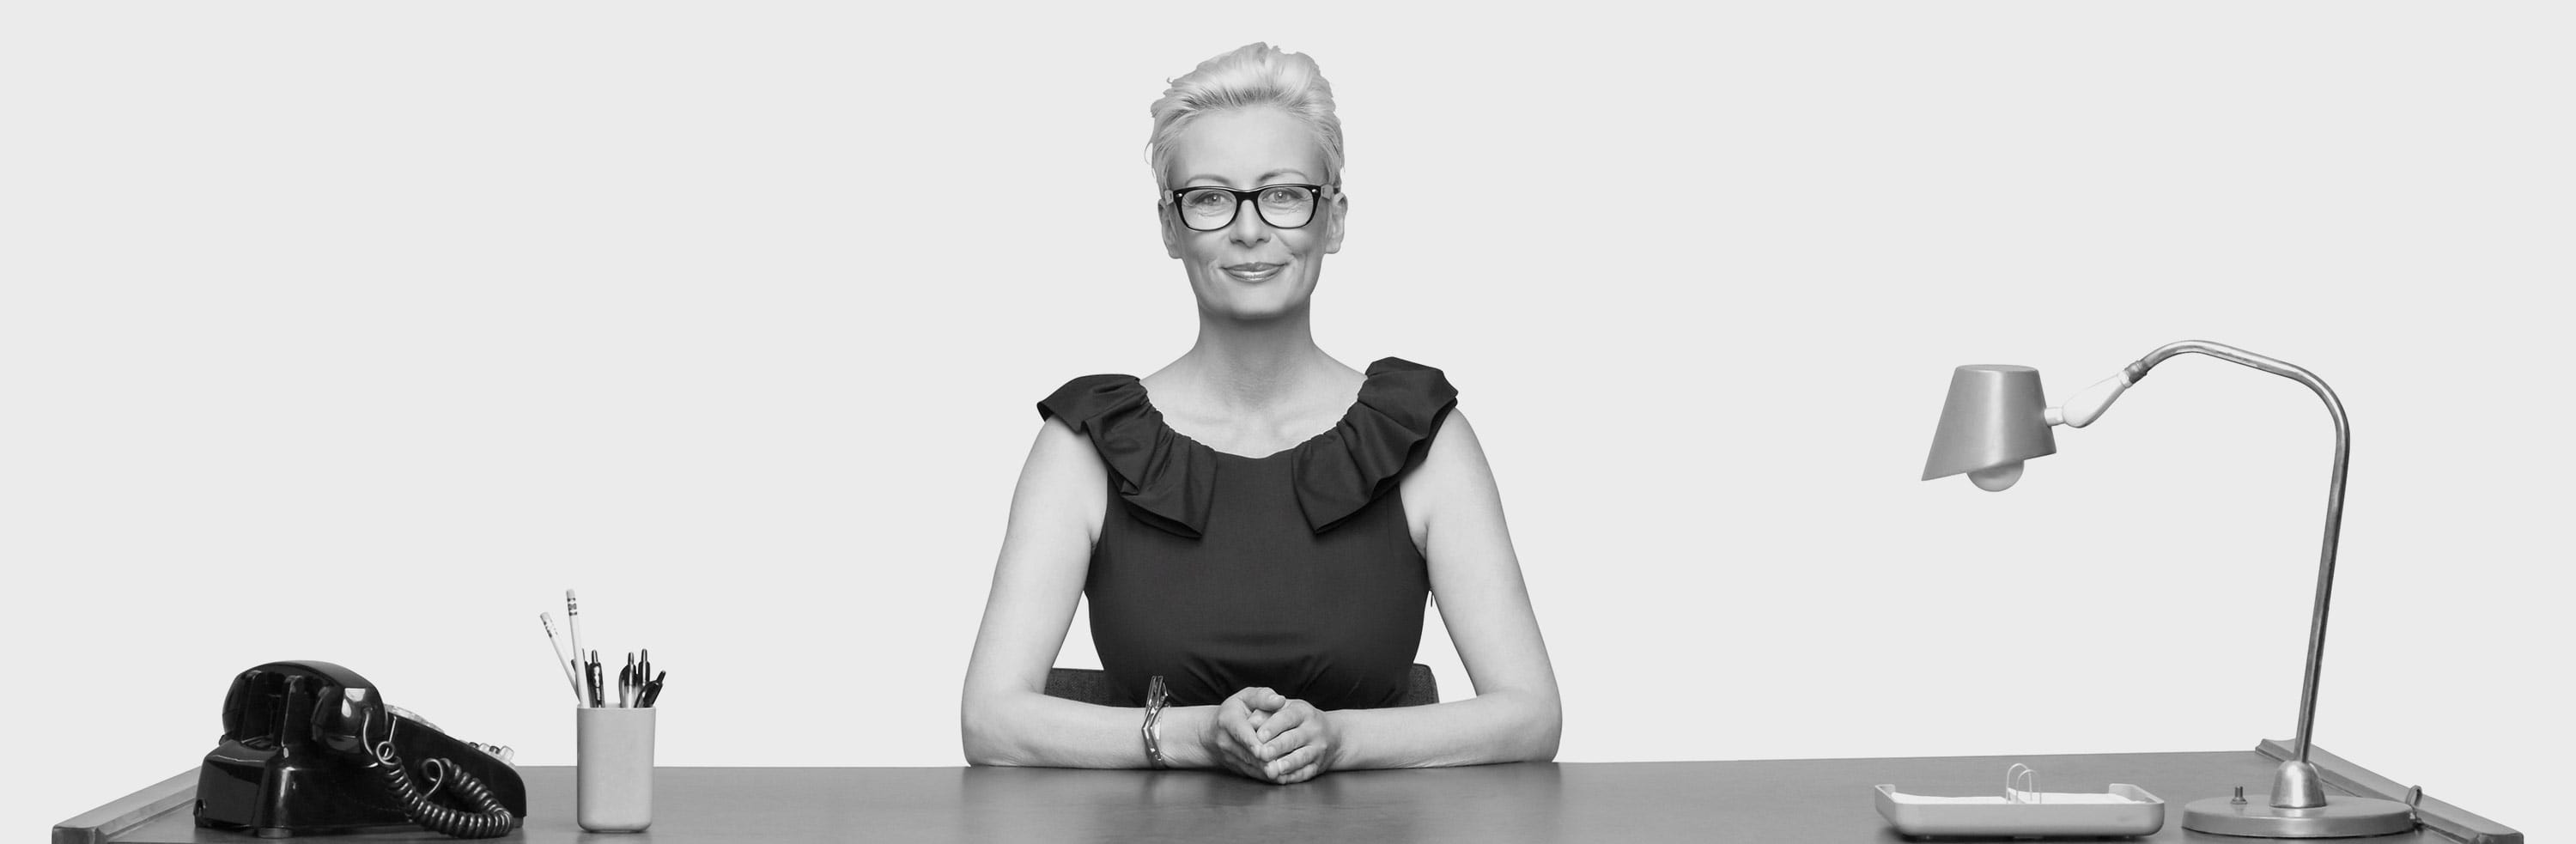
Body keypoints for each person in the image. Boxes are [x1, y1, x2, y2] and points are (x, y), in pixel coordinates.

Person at [961, 43, 1559, 785]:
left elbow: (1531, 712)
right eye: (1211, 197)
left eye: (1282, 194)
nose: (1249, 230)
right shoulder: (1083, 444)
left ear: (1333, 220)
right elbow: (990, 718)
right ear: (1170, 227)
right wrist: (1193, 734)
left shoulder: (1425, 440)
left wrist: (1338, 738)